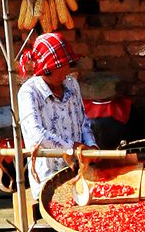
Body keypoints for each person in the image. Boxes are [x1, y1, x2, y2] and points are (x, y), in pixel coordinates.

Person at [17, 32, 96, 199]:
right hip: (49, 179)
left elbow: (83, 122)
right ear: (47, 69)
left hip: (79, 172)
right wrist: (71, 147)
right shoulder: (29, 93)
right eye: (62, 66)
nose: (67, 69)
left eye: (68, 64)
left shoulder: (71, 84)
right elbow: (37, 136)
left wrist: (91, 146)